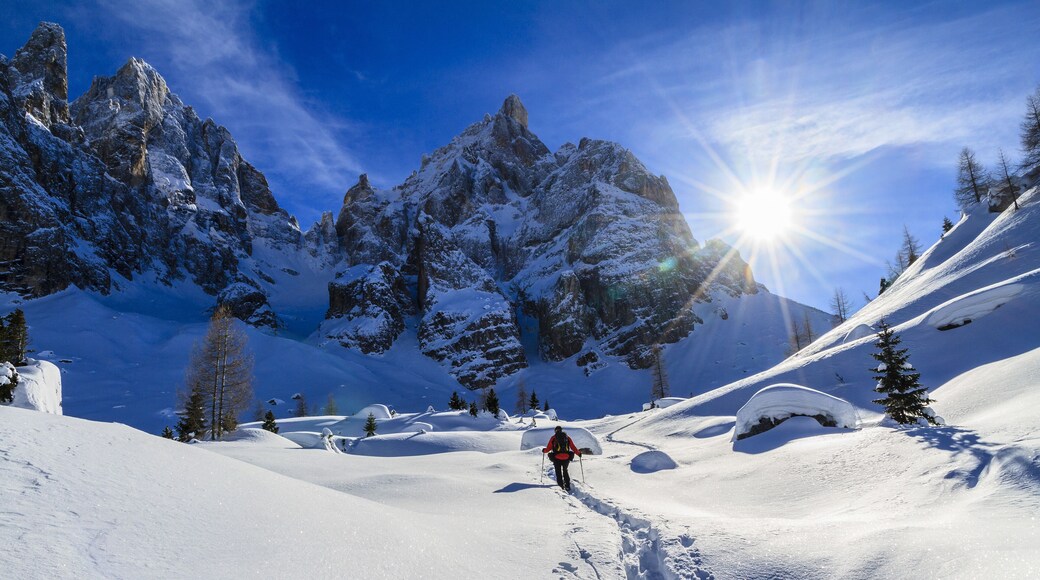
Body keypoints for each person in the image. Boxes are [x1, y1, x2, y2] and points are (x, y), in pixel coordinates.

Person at [542, 426, 581, 491]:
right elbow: (573, 447)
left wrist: (544, 450)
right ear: (561, 430)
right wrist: (578, 453)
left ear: (555, 431)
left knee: (558, 471)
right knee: (565, 470)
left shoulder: (553, 438)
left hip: (556, 457)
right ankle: (567, 485)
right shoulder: (567, 437)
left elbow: (548, 448)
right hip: (566, 457)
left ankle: (561, 486)